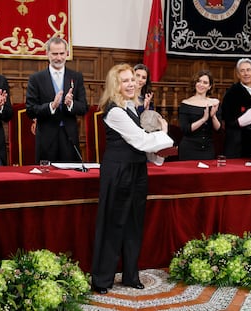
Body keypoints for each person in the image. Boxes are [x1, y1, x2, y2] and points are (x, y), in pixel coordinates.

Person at [91, 63, 174, 294]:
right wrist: (165, 134)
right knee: (114, 224)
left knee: (134, 225)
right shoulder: (115, 111)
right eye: (125, 80)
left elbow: (143, 145)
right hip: (118, 172)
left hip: (137, 170)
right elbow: (140, 140)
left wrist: (157, 156)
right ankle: (102, 279)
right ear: (115, 85)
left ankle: (130, 275)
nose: (130, 84)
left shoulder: (131, 107)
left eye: (132, 80)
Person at [26, 37, 88, 163]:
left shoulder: (76, 77)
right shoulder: (36, 78)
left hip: (69, 138)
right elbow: (31, 110)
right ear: (47, 53)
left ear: (67, 53)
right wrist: (51, 106)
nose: (58, 58)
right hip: (46, 139)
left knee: (70, 179)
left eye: (61, 53)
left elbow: (83, 107)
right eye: (54, 54)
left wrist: (71, 104)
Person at [178, 69, 221, 160]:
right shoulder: (186, 103)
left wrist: (213, 116)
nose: (201, 85)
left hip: (207, 149)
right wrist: (203, 119)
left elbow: (219, 129)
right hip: (189, 149)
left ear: (209, 86)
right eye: (199, 81)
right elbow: (185, 129)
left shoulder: (214, 103)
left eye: (205, 82)